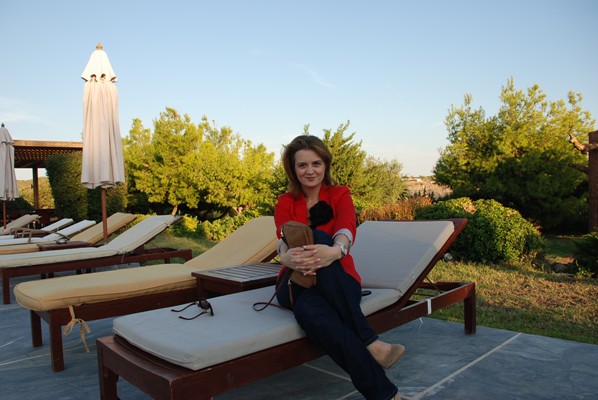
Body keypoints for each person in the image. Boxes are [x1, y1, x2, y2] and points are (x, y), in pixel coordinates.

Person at [274, 134, 404, 400]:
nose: (310, 170)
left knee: (312, 314)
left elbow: (346, 228)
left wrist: (334, 252)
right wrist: (286, 258)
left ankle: (385, 395)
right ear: (293, 169)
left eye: (316, 163)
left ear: (325, 165)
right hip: (296, 282)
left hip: (339, 279)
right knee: (318, 239)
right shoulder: (285, 202)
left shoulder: (340, 194)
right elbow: (282, 238)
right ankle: (371, 342)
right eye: (302, 165)